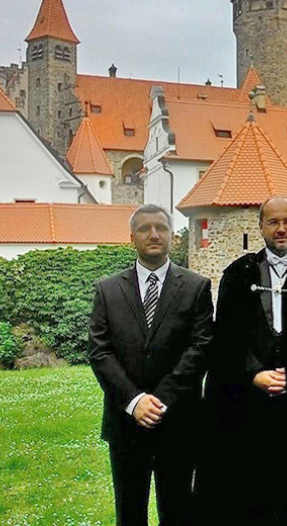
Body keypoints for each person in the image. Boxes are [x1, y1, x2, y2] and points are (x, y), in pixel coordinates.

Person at [198, 196, 287, 525]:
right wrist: (254, 373)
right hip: (246, 402)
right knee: (246, 492)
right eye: (273, 222)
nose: (281, 229)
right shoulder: (238, 273)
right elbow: (226, 335)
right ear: (260, 227)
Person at [89, 204, 214, 526]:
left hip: (179, 420)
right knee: (129, 511)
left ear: (173, 236)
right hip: (126, 422)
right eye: (145, 228)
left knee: (178, 510)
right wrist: (134, 401)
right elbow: (100, 352)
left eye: (161, 228)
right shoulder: (108, 290)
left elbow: (200, 348)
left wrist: (160, 401)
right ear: (132, 237)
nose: (154, 234)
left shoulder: (196, 287)